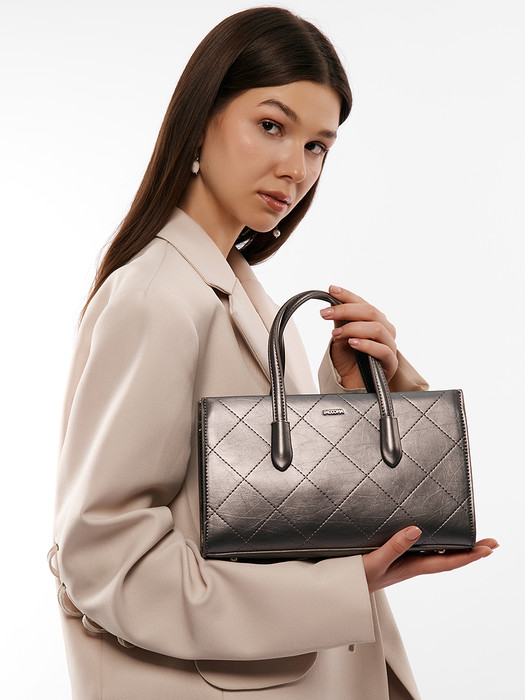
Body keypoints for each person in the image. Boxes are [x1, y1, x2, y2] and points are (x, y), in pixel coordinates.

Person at [48, 7, 498, 699]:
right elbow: (108, 564)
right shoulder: (156, 298)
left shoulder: (237, 291)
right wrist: (342, 587)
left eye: (317, 145)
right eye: (270, 126)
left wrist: (361, 389)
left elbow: (272, 502)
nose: (295, 168)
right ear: (201, 119)